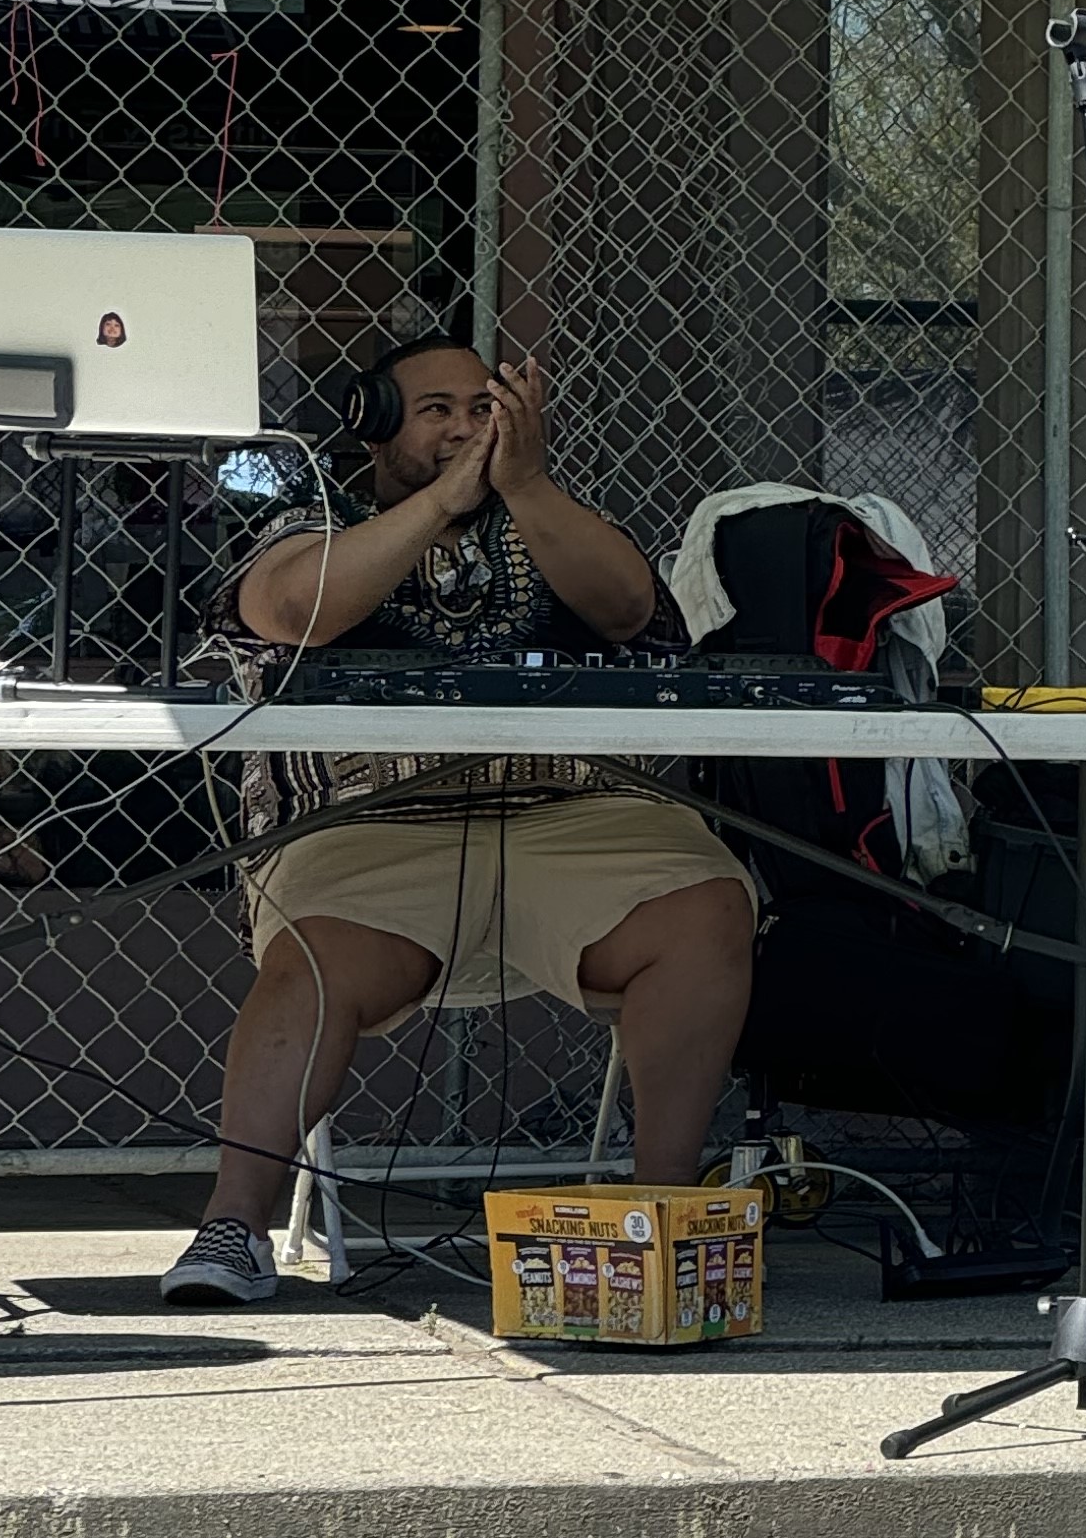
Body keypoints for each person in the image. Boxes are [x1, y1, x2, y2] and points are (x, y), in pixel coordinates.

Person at [160, 336, 756, 1306]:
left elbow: (630, 603)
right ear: (378, 426)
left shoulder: (545, 517)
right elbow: (284, 604)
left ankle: (657, 1221)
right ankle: (234, 1230)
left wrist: (527, 488)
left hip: (574, 817)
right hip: (372, 829)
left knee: (707, 903)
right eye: (433, 408)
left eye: (481, 407)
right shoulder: (317, 513)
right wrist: (434, 505)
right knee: (310, 957)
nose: (462, 426)